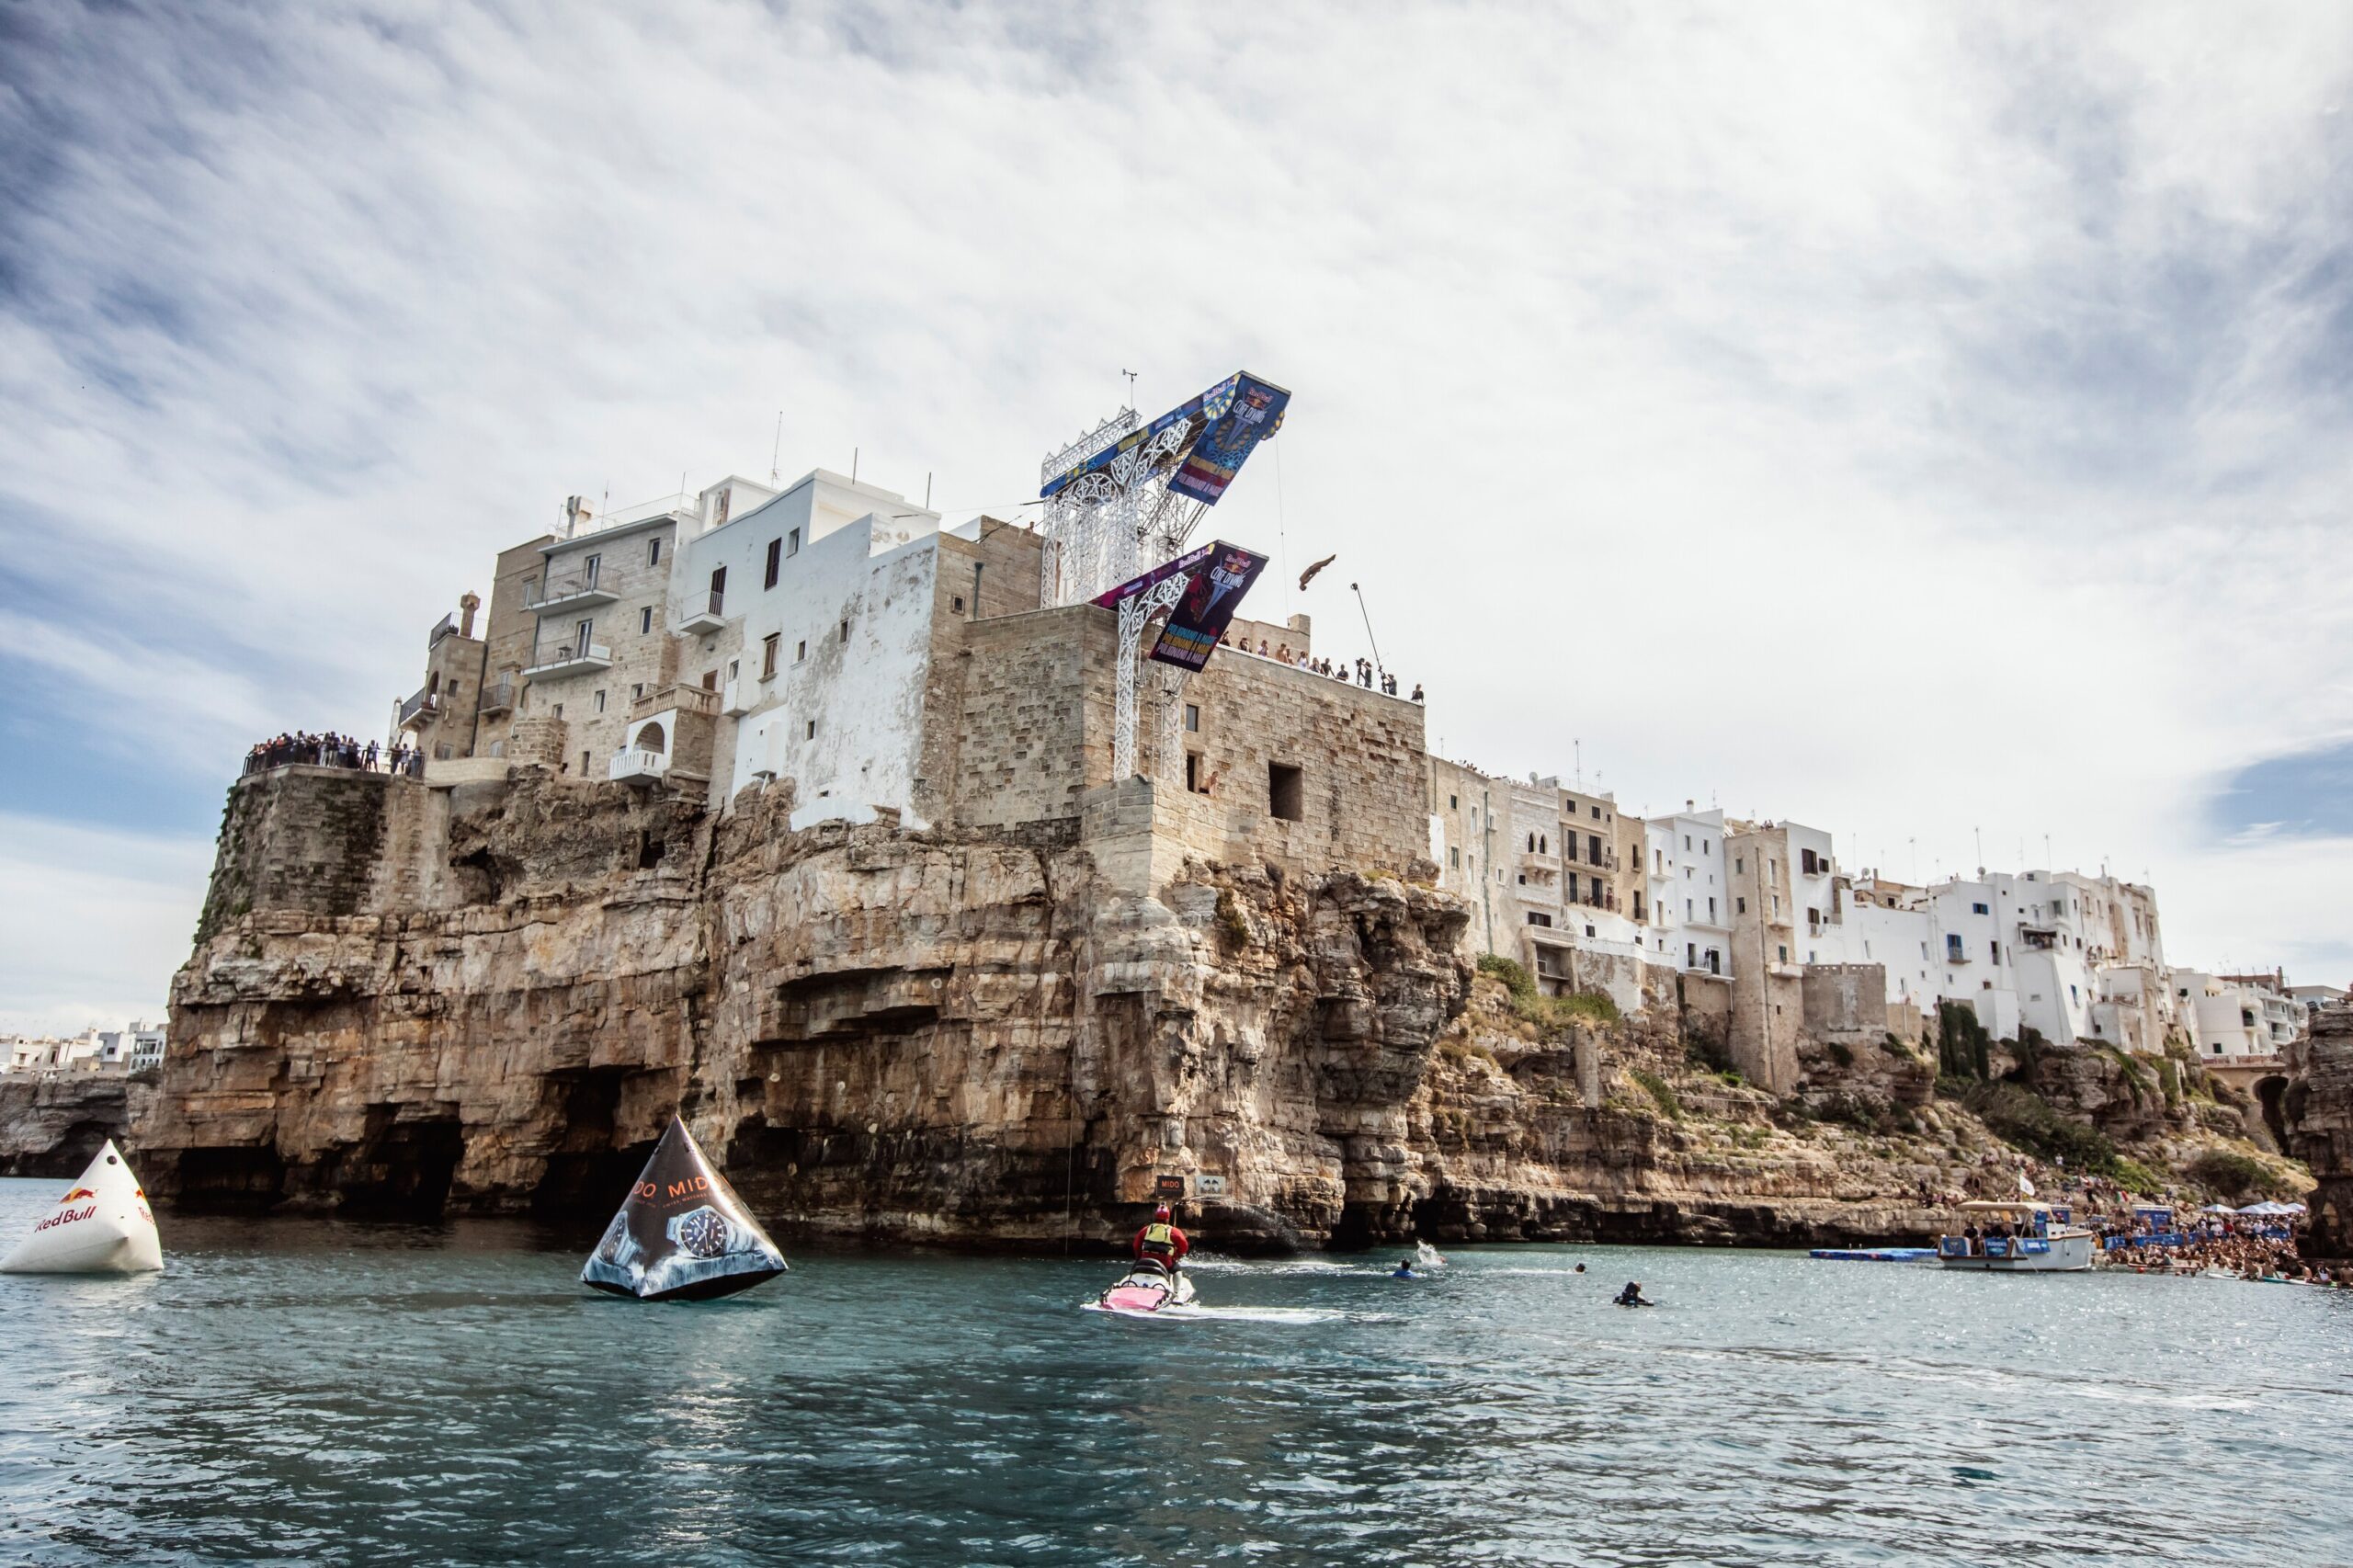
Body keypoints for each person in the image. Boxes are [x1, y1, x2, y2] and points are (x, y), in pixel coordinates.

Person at [1132, 1203, 1188, 1277]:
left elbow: (1136, 1246)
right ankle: (1177, 1288)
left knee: (1134, 1268)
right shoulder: (1174, 1231)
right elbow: (1184, 1248)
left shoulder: (1146, 1229)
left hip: (1144, 1262)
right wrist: (1176, 1256)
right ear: (1167, 1218)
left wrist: (1139, 1258)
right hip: (1166, 1265)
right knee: (1177, 1270)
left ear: (1156, 1216)